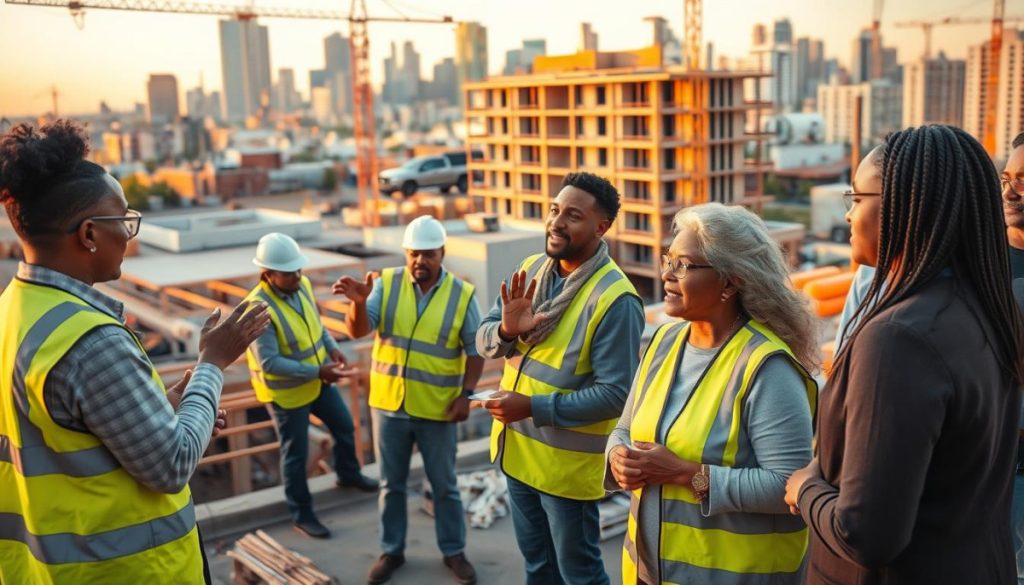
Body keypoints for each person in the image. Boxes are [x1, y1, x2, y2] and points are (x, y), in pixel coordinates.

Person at [0, 119, 271, 584]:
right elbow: (172, 464)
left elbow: (68, 434)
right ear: (88, 234)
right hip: (128, 571)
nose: (130, 234)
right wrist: (212, 363)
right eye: (124, 220)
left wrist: (163, 405)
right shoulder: (89, 341)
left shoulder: (15, 312)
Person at [785, 125, 1024, 584]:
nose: (850, 215)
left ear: (901, 206)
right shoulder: (987, 308)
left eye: (856, 197)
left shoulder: (901, 338)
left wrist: (806, 486)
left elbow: (866, 535)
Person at [607, 203, 817, 585]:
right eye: (667, 259)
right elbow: (624, 429)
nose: (667, 275)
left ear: (729, 281)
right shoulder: (663, 342)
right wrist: (617, 456)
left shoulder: (766, 368)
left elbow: (788, 486)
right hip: (648, 572)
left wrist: (688, 476)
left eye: (683, 265)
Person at [475, 172, 645, 585]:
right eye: (554, 210)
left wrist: (531, 407)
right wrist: (506, 332)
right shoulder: (531, 270)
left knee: (579, 575)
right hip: (517, 456)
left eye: (573, 215)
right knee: (538, 569)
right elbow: (483, 339)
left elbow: (614, 395)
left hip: (564, 473)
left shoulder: (615, 299)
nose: (556, 222)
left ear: (601, 227)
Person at [333, 215, 484, 585]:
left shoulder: (461, 294)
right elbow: (358, 330)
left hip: (438, 407)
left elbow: (476, 351)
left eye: (428, 254)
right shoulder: (385, 284)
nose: (420, 261)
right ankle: (391, 550)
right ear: (406, 253)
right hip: (389, 405)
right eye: (414, 253)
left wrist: (466, 396)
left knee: (445, 485)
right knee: (391, 484)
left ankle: (454, 552)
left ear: (442, 254)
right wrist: (358, 303)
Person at [245, 232, 378, 540]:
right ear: (268, 274)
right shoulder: (256, 309)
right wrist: (318, 371)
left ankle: (348, 474)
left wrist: (331, 347)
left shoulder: (302, 286)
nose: (297, 276)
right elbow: (269, 363)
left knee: (345, 426)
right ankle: (301, 514)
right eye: (289, 272)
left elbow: (315, 327)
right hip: (288, 393)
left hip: (317, 379)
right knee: (295, 454)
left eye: (298, 270)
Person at [1002, 130, 1024, 584]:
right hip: (985, 467)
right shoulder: (975, 262)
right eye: (1006, 177)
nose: (1010, 190)